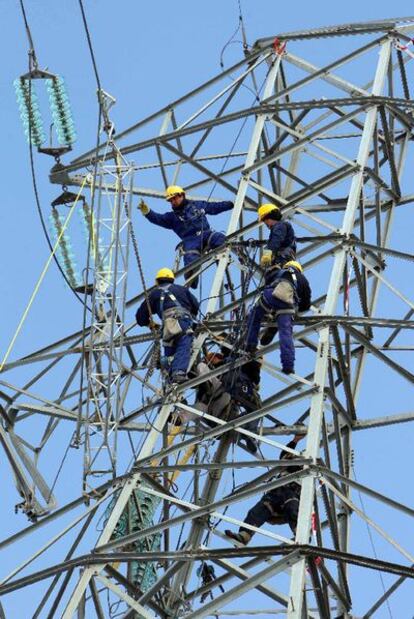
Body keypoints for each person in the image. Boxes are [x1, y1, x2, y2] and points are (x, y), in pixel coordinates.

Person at [138, 186, 233, 288]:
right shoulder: (171, 217)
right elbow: (158, 219)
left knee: (219, 238)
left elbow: (214, 207)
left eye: (174, 198)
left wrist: (230, 204)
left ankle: (223, 260)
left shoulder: (196, 205)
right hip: (190, 240)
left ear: (182, 195)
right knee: (190, 257)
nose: (173, 202)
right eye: (171, 201)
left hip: (206, 233)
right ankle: (192, 279)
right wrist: (147, 212)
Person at [225, 434, 304, 544]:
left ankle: (301, 535)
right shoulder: (288, 464)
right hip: (275, 495)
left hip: (291, 498)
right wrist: (295, 441)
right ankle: (245, 535)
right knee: (258, 509)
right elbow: (284, 456)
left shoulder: (307, 473)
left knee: (291, 506)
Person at [244, 261, 312, 374]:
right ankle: (288, 366)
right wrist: (297, 313)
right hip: (287, 304)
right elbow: (306, 305)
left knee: (254, 317)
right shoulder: (303, 280)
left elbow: (267, 280)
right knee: (286, 334)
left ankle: (250, 346)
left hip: (270, 297)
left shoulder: (279, 271)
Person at [135, 268, 199, 384]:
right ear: (172, 280)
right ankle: (178, 372)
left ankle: (170, 383)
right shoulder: (182, 290)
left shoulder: (154, 294)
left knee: (169, 357)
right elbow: (195, 306)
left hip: (167, 329)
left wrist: (150, 324)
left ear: (157, 282)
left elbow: (140, 318)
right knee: (184, 344)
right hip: (182, 323)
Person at [193, 351, 261, 454]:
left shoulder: (234, 363)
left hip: (238, 391)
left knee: (255, 410)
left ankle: (248, 435)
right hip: (223, 399)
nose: (217, 359)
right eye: (216, 357)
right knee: (249, 411)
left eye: (218, 357)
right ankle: (243, 433)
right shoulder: (214, 370)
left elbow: (256, 374)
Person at [257, 203, 297, 270]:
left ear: (269, 217)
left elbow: (276, 239)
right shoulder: (281, 226)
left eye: (265, 220)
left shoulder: (280, 226)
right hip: (284, 260)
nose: (266, 224)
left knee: (276, 275)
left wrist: (268, 252)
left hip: (282, 259)